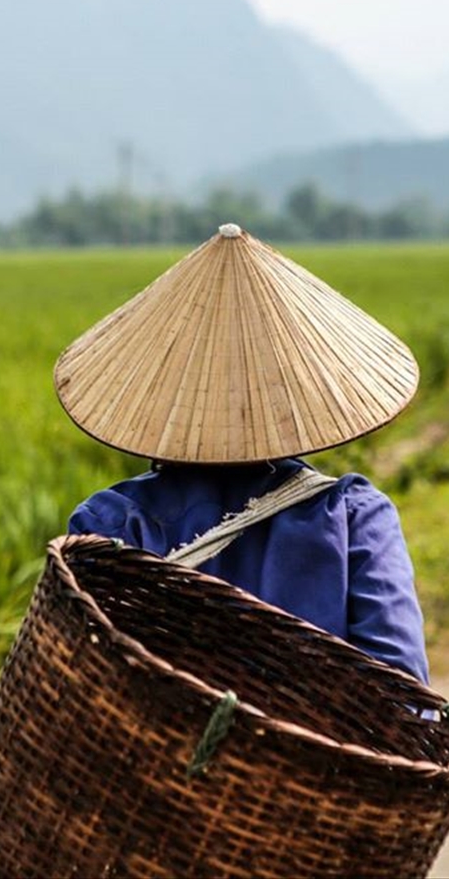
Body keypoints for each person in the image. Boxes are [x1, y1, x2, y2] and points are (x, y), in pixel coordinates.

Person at [55, 224, 429, 684]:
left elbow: (83, 683)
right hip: (325, 757)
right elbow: (405, 690)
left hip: (158, 755)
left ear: (159, 399)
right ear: (295, 396)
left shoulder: (110, 523)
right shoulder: (353, 516)